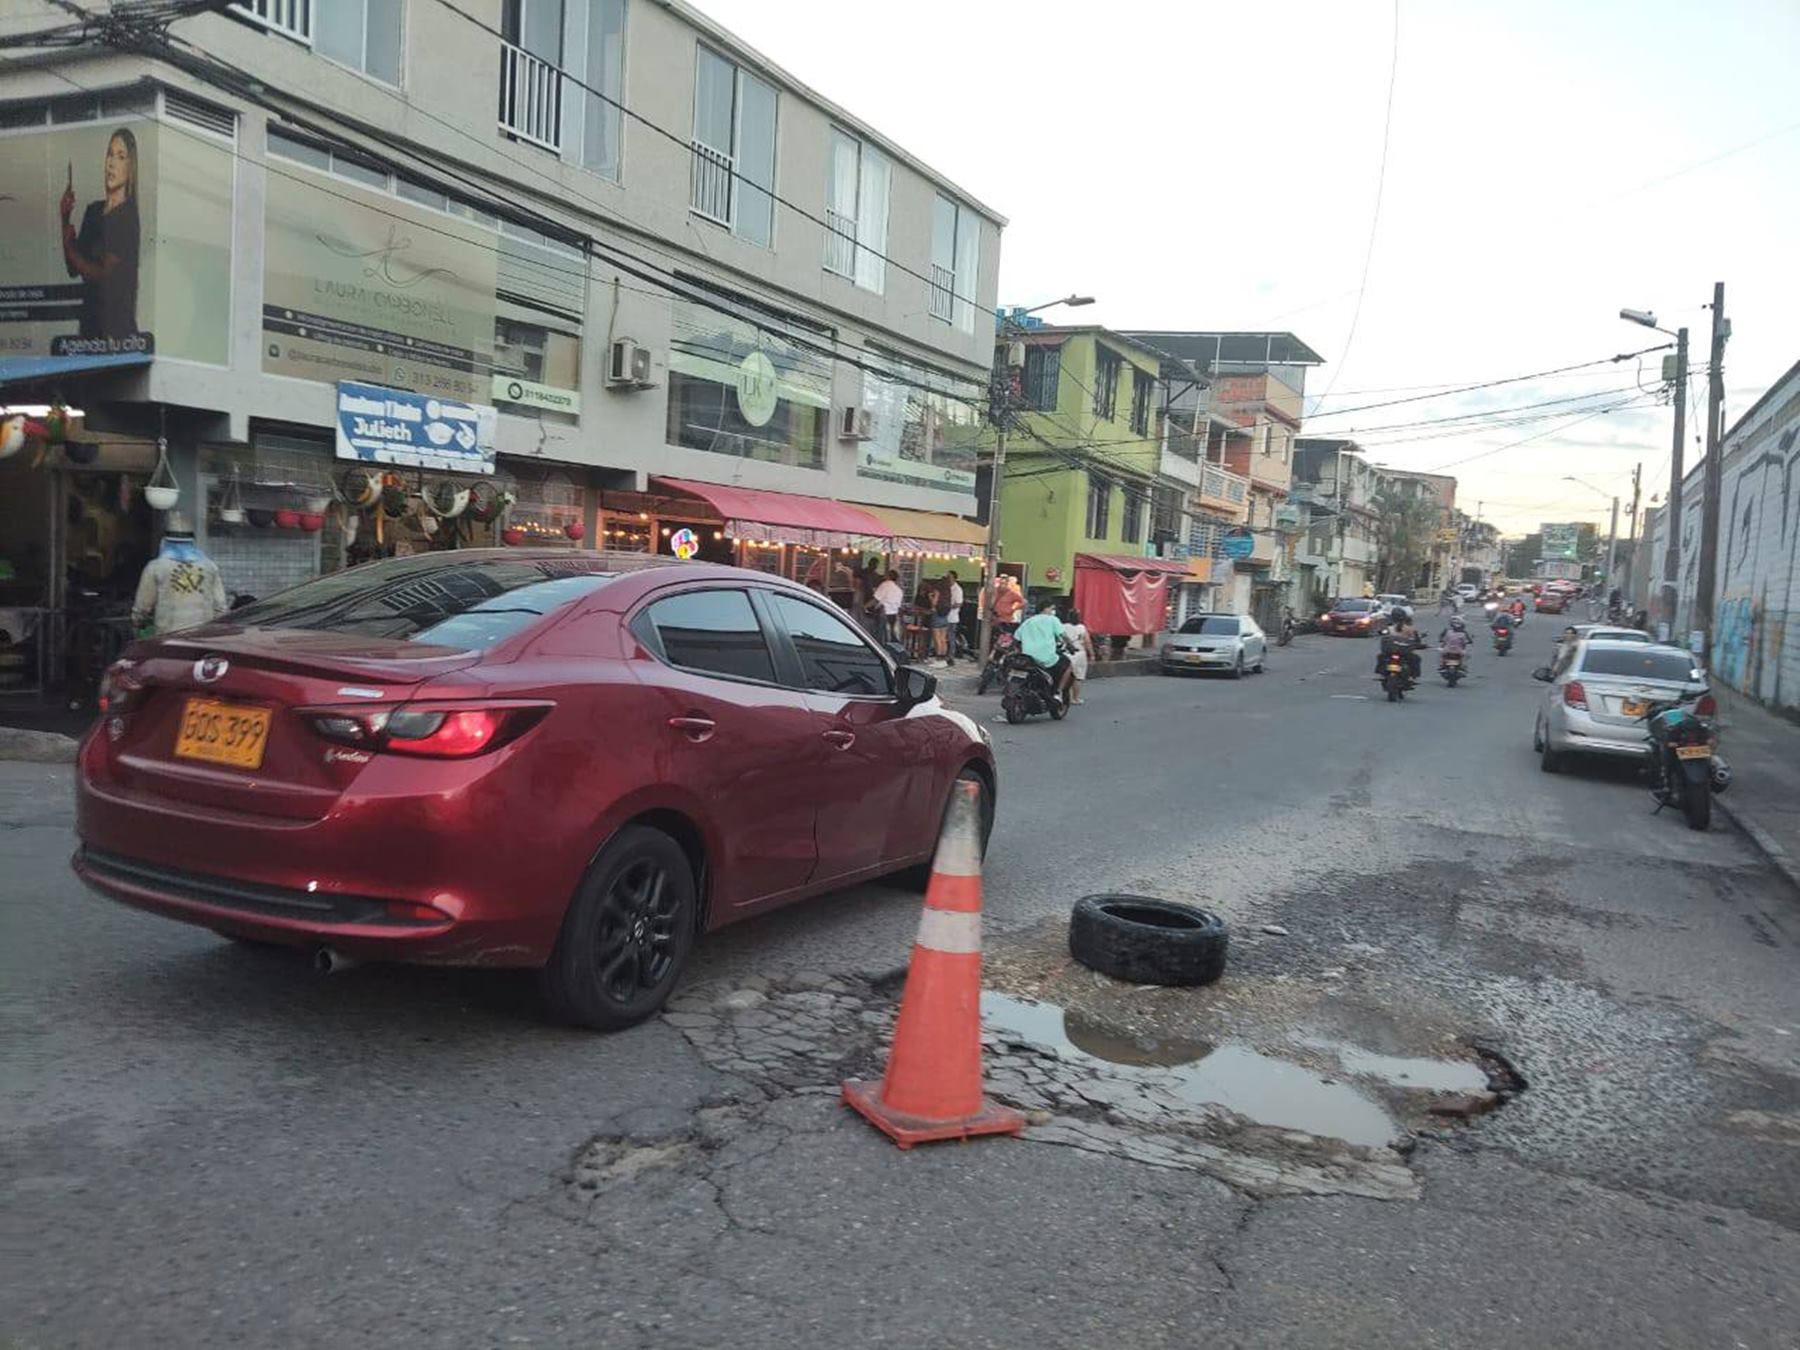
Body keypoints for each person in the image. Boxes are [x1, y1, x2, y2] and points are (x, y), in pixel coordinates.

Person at [60, 127, 141, 341]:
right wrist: (65, 218)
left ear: (130, 166)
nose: (112, 163)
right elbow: (73, 269)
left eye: (121, 157)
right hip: (88, 331)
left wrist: (71, 249)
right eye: (110, 154)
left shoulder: (127, 216)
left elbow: (102, 274)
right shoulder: (93, 211)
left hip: (117, 335)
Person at [132, 514, 227, 636]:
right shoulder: (209, 566)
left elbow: (142, 607)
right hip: (202, 637)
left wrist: (138, 623)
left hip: (169, 637)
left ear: (165, 540)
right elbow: (220, 607)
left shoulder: (156, 567)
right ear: (193, 541)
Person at [1015, 599, 1073, 705]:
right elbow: (1063, 636)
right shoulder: (1052, 620)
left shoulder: (1028, 621)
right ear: (1045, 609)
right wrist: (1071, 646)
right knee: (1068, 665)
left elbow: (1017, 638)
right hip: (1046, 657)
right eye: (1052, 608)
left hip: (1027, 658)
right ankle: (1058, 692)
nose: (1053, 611)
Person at [1062, 606, 1095, 705]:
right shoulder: (1082, 628)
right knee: (1078, 677)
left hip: (1065, 653)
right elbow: (1087, 642)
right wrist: (1092, 655)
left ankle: (1061, 696)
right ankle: (1075, 698)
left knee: (1064, 676)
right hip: (1079, 654)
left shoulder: (1063, 627)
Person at [872, 569, 904, 644]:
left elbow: (876, 599)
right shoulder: (899, 590)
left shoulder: (884, 585)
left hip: (883, 613)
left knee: (880, 634)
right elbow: (898, 605)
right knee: (891, 634)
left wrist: (865, 607)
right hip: (894, 615)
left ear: (888, 576)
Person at [989, 572, 1024, 640]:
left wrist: (1013, 609)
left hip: (1006, 620)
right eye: (1001, 582)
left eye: (1005, 582)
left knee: (1005, 639)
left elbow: (1023, 602)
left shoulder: (1012, 593)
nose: (1003, 584)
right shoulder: (993, 591)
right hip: (994, 620)